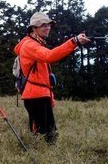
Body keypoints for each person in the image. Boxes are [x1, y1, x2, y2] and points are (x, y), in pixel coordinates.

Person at [14, 12, 91, 144]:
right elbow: (50, 56)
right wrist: (74, 41)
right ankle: (42, 161)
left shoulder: (36, 43)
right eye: (43, 25)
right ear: (33, 28)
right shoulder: (30, 45)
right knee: (45, 136)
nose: (47, 27)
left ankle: (44, 159)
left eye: (49, 25)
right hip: (36, 96)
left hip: (39, 95)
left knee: (47, 134)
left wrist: (50, 97)